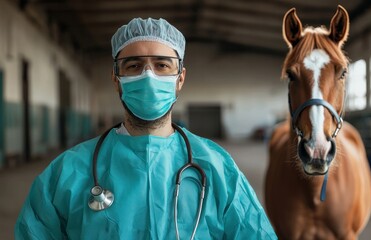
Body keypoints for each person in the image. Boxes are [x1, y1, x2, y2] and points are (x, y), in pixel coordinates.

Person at [15, 17, 277, 239]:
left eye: (162, 65)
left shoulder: (218, 168)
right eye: (134, 66)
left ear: (180, 79)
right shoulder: (67, 173)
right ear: (116, 79)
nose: (148, 76)